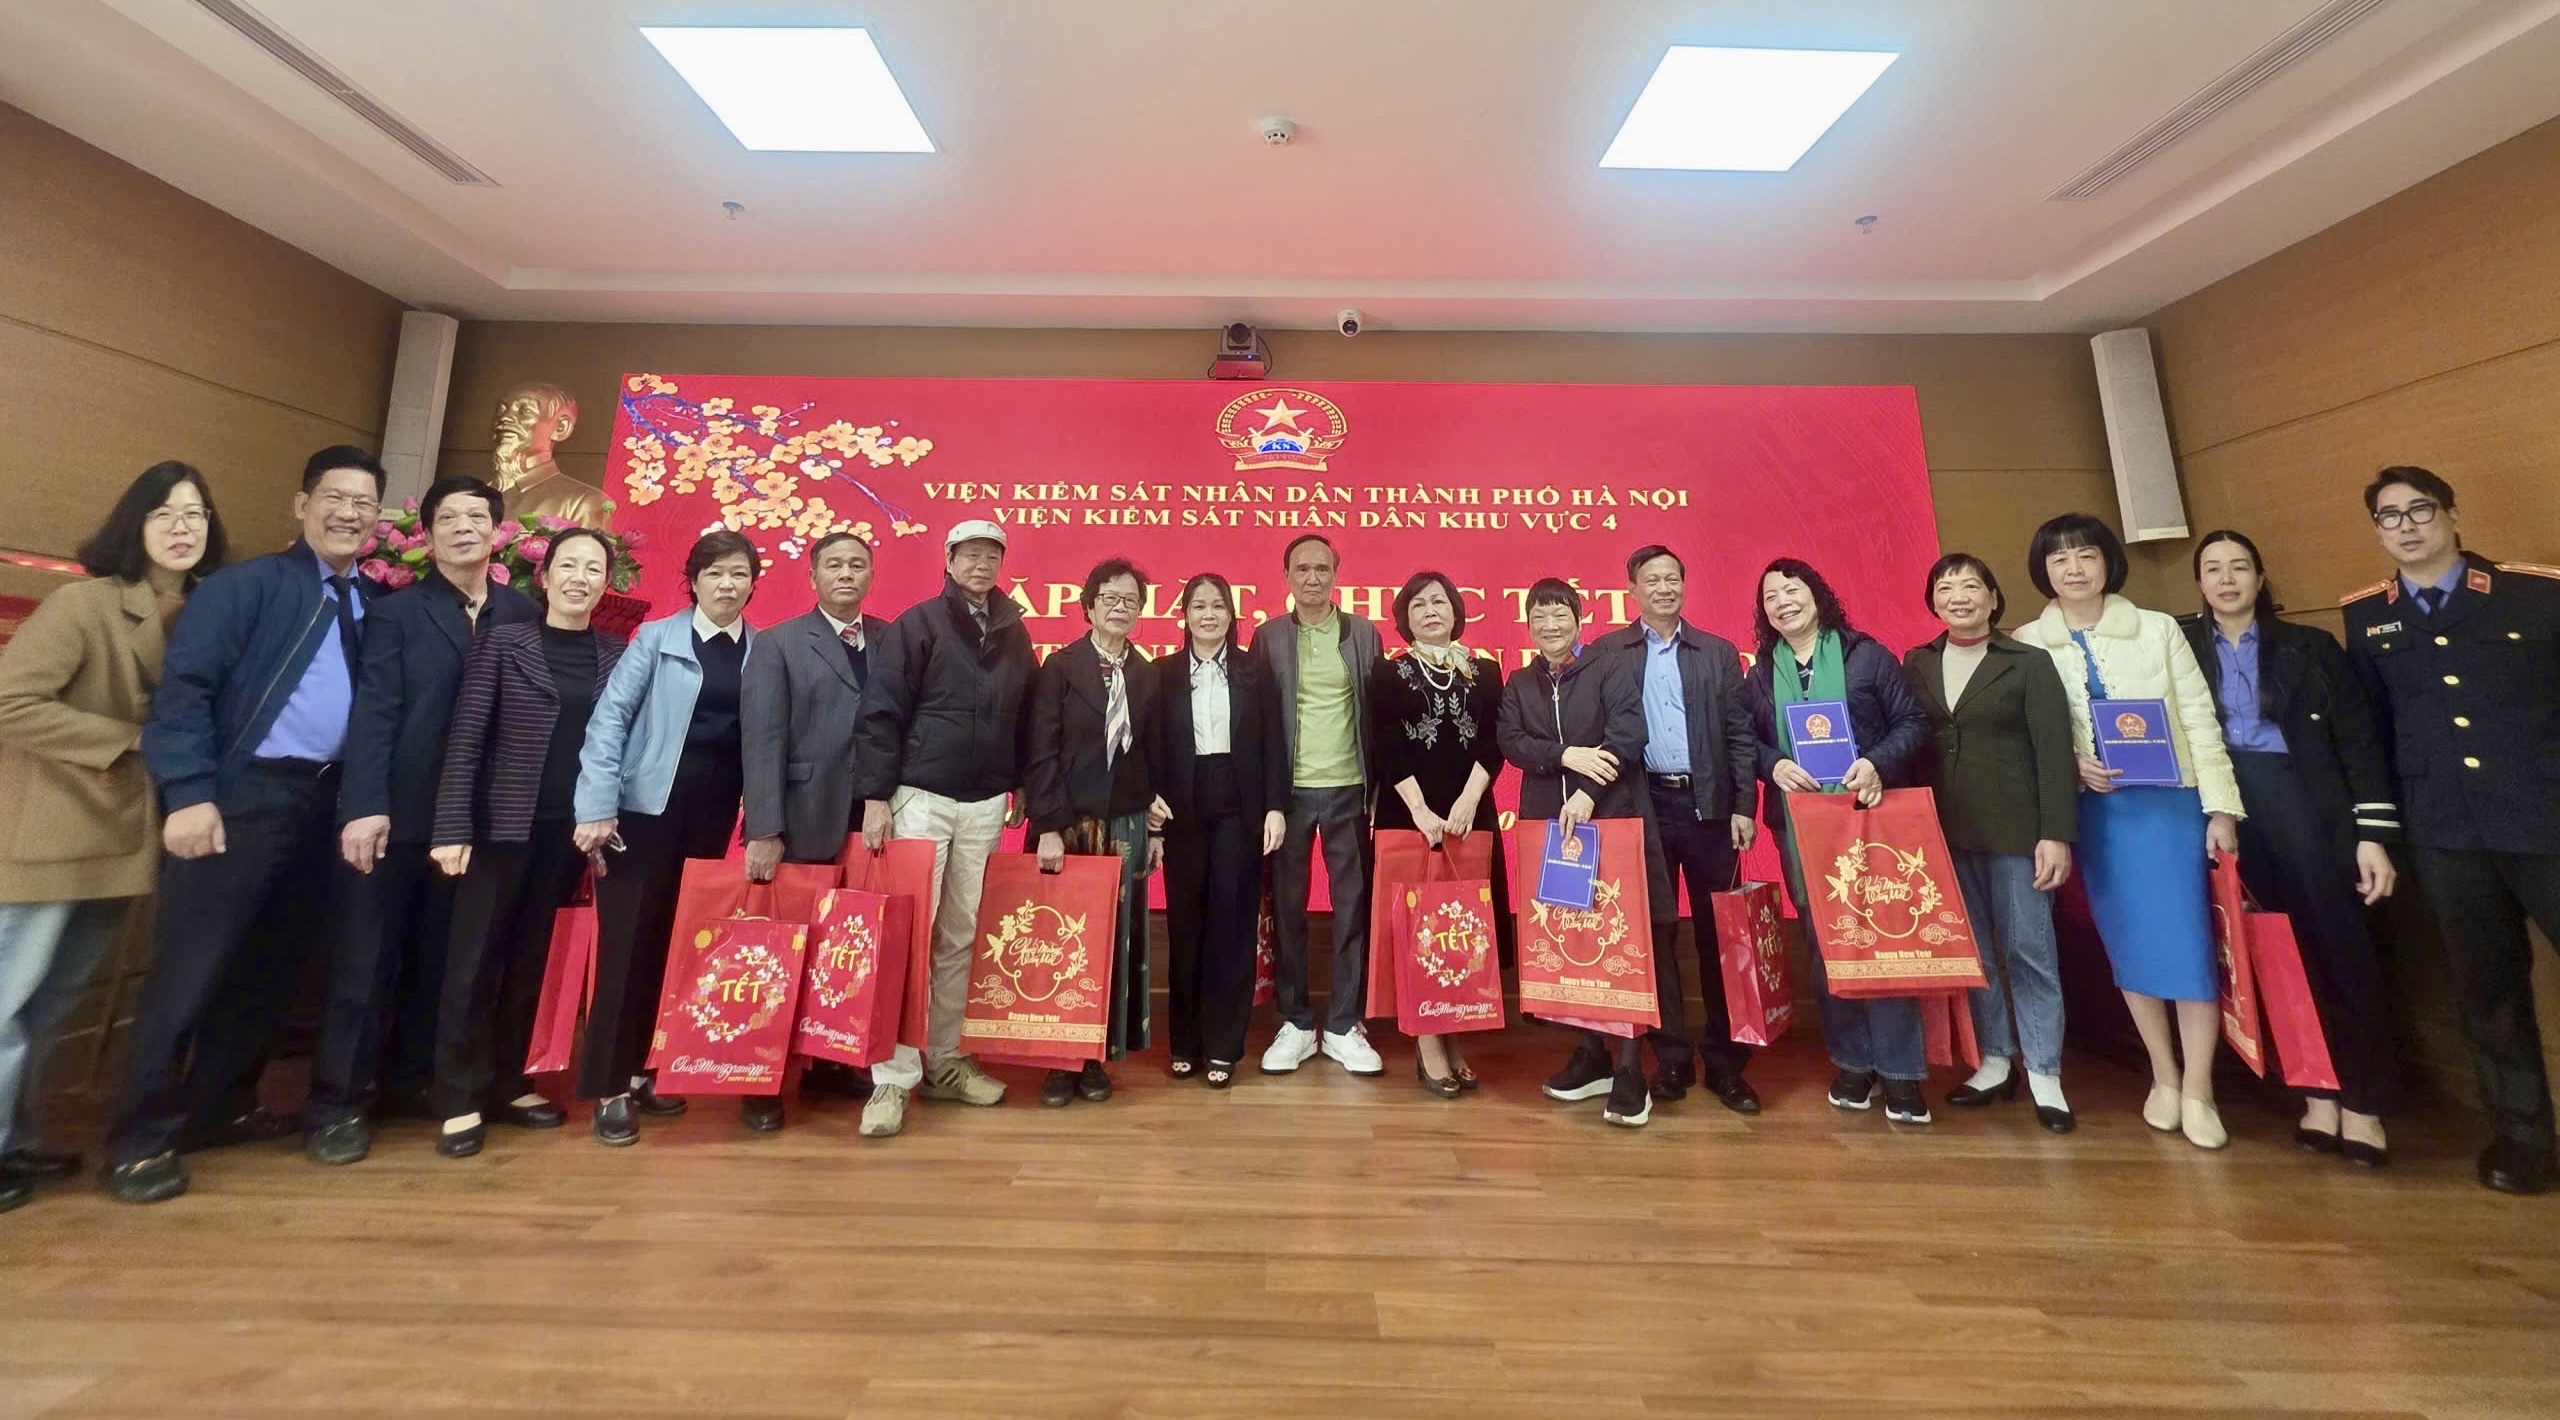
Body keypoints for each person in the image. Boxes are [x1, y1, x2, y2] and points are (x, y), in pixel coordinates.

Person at [104, 446, 386, 1204]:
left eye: (363, 503)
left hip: (325, 806)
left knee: (271, 971)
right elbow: (184, 695)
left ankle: (217, 1107)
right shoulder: (245, 587)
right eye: (334, 498)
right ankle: (140, 1142)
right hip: (240, 796)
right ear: (302, 505)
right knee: (191, 970)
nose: (348, 513)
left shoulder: (371, 604)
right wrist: (190, 793)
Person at [0, 462, 224, 1214]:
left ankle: (15, 1137)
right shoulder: (84, 603)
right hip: (53, 828)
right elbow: (10, 703)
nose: (182, 528)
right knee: (6, 998)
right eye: (165, 513)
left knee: (53, 1004)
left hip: (127, 839)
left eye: (195, 513)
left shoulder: (207, 608)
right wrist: (132, 740)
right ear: (135, 523)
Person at [2342, 466, 2560, 1195]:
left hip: (2544, 819)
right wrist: (2379, 828)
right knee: (2488, 993)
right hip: (2445, 833)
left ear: (2452, 514)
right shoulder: (2368, 617)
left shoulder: (2535, 592)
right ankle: (2523, 1138)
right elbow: (2373, 734)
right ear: (2377, 530)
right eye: (2389, 516)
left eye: (2420, 509)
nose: (2406, 526)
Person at [312, 475, 536, 1165]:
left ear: (498, 531)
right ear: (429, 535)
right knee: (366, 961)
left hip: (480, 822)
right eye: (449, 518)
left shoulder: (522, 613)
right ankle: (340, 1105)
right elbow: (374, 714)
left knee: (449, 961)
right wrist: (364, 805)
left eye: (477, 516)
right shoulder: (398, 613)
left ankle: (419, 1082)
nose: (464, 527)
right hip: (401, 811)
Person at [2014, 514, 2241, 1150]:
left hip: (2171, 807)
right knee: (2131, 945)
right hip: (2099, 815)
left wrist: (2221, 809)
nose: (2074, 568)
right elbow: (2030, 737)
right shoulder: (2028, 642)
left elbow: (2199, 718)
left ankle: (2199, 1088)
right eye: (2060, 559)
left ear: (2108, 562)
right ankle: (2163, 1076)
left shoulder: (2158, 628)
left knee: (2189, 944)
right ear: (2044, 571)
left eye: (2086, 555)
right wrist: (2071, 766)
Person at [2189, 529, 2399, 1166]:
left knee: (2340, 947)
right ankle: (2315, 1093)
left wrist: (2373, 834)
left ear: (2260, 577)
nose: (2227, 580)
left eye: (2240, 567)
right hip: (2229, 810)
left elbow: (2359, 740)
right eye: (2213, 569)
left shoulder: (2311, 647)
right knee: (2275, 953)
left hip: (2309, 806)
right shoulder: (2183, 647)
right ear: (2199, 583)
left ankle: (2364, 1102)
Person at [424, 529, 625, 1157]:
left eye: (593, 569)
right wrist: (452, 826)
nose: (579, 578)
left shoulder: (617, 653)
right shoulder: (504, 642)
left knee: (533, 959)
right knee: (473, 961)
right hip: (499, 827)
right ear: (544, 575)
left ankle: (511, 1081)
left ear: (606, 583)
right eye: (569, 565)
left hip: (569, 833)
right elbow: (466, 738)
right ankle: (458, 1096)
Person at [571, 529, 760, 1147]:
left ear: (753, 583)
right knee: (627, 945)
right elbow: (608, 722)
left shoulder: (762, 650)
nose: (727, 585)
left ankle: (645, 1069)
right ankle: (608, 1088)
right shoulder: (655, 640)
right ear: (694, 582)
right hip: (643, 812)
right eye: (715, 574)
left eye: (739, 574)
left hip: (711, 815)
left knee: (678, 942)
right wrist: (597, 805)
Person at [854, 519, 1036, 1132]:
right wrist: (876, 796)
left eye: (992, 556)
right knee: (910, 932)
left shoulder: (1013, 630)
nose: (982, 565)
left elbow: (1025, 715)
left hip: (984, 802)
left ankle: (946, 1061)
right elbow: (880, 712)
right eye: (971, 554)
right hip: (920, 795)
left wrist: (1022, 783)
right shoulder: (919, 624)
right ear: (950, 560)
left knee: (959, 934)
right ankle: (892, 1077)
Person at [1745, 558, 1937, 1127]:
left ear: (1817, 594)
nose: (1783, 602)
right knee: (1826, 941)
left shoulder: (1865, 656)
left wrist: (1876, 763)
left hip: (1868, 817)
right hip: (1800, 822)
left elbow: (1913, 724)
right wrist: (1772, 764)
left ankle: (1900, 1072)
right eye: (1771, 596)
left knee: (1884, 935)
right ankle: (1853, 1062)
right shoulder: (1761, 672)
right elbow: (1746, 741)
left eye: (1792, 589)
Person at [1903, 553, 2080, 1134]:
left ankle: (2045, 1072)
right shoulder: (1917, 662)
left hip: (2016, 832)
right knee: (1975, 954)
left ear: (1993, 598)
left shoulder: (2028, 662)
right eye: (1946, 588)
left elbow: (2053, 753)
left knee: (2029, 950)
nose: (1959, 596)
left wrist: (2055, 834)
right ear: (1933, 601)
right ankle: (1996, 1060)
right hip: (1946, 833)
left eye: (1971, 586)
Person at [1590, 545, 1762, 1112]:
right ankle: (1670, 1058)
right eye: (1652, 580)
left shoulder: (1716, 652)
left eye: (1672, 578)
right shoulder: (1609, 651)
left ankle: (1726, 1064)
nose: (1663, 588)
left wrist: (1744, 804)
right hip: (1643, 808)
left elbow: (1739, 734)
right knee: (1655, 936)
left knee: (1720, 937)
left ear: (1684, 586)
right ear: (1632, 590)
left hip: (1709, 806)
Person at [739, 530, 886, 1128]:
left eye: (857, 565)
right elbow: (763, 739)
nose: (846, 574)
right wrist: (764, 828)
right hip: (801, 816)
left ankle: (830, 1059)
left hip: (869, 819)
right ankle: (762, 1079)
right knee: (785, 948)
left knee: (845, 943)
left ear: (871, 575)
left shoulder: (890, 639)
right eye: (834, 565)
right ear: (814, 576)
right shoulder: (777, 643)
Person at [1500, 578, 1654, 1128]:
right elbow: (1512, 741)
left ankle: (1630, 1068)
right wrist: (1566, 756)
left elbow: (1629, 734)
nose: (1550, 626)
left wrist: (1589, 790)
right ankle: (1591, 1056)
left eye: (1559, 614)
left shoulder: (1609, 666)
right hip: (1553, 828)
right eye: (1539, 617)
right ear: (1528, 625)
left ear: (1579, 618)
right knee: (1570, 936)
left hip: (1609, 820)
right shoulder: (1520, 681)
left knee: (1622, 938)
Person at [1023, 559, 1160, 1107]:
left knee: (1112, 943)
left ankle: (1096, 1056)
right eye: (1110, 598)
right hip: (1069, 827)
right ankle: (1058, 1062)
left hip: (1126, 826)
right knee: (1060, 943)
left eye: (1131, 600)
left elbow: (1152, 757)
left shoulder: (1146, 674)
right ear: (1088, 606)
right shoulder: (1059, 667)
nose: (1121, 608)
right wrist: (1048, 827)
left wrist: (1156, 830)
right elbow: (1040, 751)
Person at [1144, 574, 1288, 1089]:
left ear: (1231, 614)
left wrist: (1276, 807)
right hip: (1180, 806)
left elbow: (1274, 742)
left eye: (1218, 606)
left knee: (1232, 922)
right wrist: (1149, 804)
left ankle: (1225, 1046)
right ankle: (1185, 1043)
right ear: (1184, 615)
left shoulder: (1255, 670)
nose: (1209, 615)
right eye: (1199, 606)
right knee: (1186, 924)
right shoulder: (1161, 673)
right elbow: (1149, 745)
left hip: (1239, 804)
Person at [1366, 570, 1503, 1097]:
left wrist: (1469, 800)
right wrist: (1421, 810)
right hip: (1409, 819)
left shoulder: (1485, 672)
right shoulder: (1388, 672)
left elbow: (1493, 740)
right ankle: (1427, 1042)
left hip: (1470, 818)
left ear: (1456, 611)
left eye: (1440, 602)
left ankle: (1455, 1033)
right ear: (1405, 617)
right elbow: (1385, 744)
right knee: (1417, 930)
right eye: (1419, 604)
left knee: (1461, 931)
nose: (1430, 611)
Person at [1253, 534, 1386, 1078]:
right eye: (1302, 569)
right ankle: (1296, 1021)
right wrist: (1265, 797)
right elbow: (1259, 721)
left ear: (1336, 574)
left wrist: (1378, 790)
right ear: (1286, 575)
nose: (1313, 578)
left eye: (1322, 569)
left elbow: (1378, 715)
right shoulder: (1269, 637)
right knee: (1288, 908)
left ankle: (1344, 1023)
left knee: (1352, 907)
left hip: (1349, 788)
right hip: (1288, 795)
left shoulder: (1363, 633)